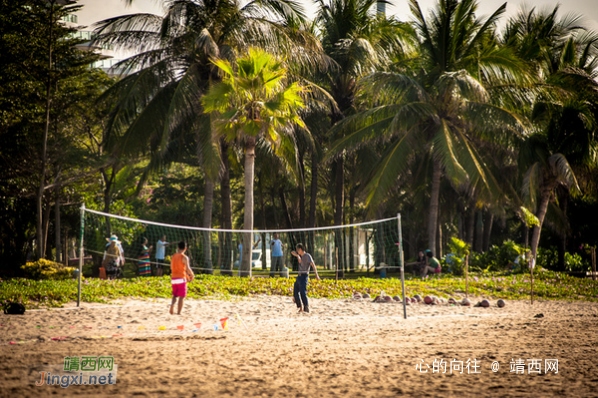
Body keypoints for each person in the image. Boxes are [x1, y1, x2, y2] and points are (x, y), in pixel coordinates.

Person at [290, 243, 320, 313]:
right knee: (295, 292)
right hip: (299, 276)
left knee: (303, 293)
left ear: (300, 249)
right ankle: (300, 308)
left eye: (298, 250)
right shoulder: (300, 256)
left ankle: (306, 307)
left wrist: (316, 275)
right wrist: (297, 256)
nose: (297, 251)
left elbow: (313, 265)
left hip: (304, 276)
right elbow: (292, 252)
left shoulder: (307, 256)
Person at [170, 241, 194, 315]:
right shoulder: (184, 257)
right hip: (181, 279)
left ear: (178, 248)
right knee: (181, 296)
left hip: (173, 278)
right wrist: (192, 275)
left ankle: (172, 305)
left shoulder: (173, 256)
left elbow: (171, 267)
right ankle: (179, 312)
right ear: (185, 248)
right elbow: (187, 268)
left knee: (175, 295)